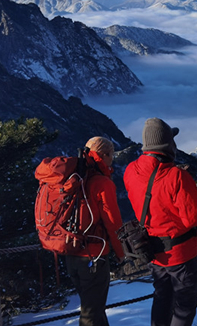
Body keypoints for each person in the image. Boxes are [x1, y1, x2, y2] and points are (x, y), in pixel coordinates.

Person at [124, 118, 197, 326]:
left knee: (162, 296)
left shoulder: (130, 170)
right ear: (168, 144)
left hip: (151, 249)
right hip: (180, 253)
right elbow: (194, 217)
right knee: (184, 305)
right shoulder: (176, 176)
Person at [65, 136, 125, 326]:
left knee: (94, 309)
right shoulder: (101, 182)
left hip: (71, 253)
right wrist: (121, 252)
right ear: (104, 155)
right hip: (93, 257)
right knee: (90, 315)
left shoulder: (75, 177)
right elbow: (113, 223)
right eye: (111, 155)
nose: (112, 159)